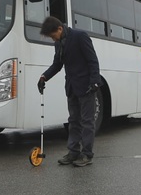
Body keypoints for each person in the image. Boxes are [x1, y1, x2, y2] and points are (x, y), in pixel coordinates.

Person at [37, 16, 101, 167]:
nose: (53, 40)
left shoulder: (80, 36)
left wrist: (95, 82)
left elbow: (93, 60)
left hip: (86, 86)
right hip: (71, 87)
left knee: (87, 122)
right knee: (73, 121)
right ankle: (73, 152)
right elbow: (57, 64)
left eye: (53, 36)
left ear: (59, 29)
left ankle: (87, 154)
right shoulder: (59, 43)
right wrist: (44, 76)